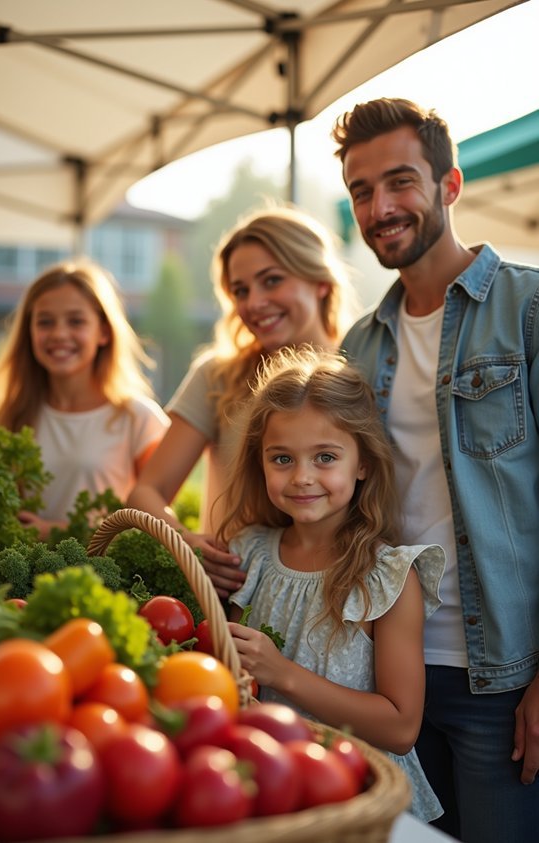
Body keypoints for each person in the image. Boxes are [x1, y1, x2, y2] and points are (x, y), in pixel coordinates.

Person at [332, 97, 539, 843]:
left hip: (503, 676)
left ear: (449, 185)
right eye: (361, 191)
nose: (380, 208)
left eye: (400, 182)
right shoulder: (358, 345)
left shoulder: (527, 308)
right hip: (389, 675)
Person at [215, 346, 445, 821]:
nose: (302, 477)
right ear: (260, 462)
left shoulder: (388, 577)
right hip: (267, 789)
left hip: (358, 796)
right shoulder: (249, 552)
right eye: (282, 458)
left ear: (362, 463)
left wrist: (282, 673)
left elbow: (401, 727)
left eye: (325, 457)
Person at [127, 205, 360, 595]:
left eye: (272, 281)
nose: (253, 303)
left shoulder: (360, 376)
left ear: (320, 281)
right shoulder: (216, 377)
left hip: (336, 599)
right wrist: (184, 541)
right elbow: (145, 492)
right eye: (240, 291)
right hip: (230, 599)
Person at [0, 258, 170, 539]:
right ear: (29, 331)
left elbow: (157, 527)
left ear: (103, 332)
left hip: (109, 568)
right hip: (25, 567)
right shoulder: (11, 415)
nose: (59, 334)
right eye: (45, 322)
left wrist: (55, 531)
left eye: (76, 321)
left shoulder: (139, 418)